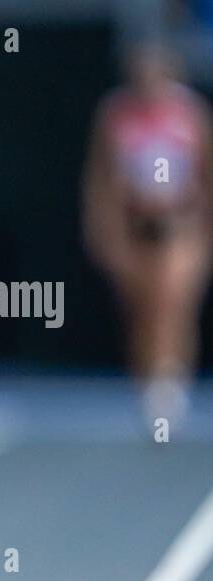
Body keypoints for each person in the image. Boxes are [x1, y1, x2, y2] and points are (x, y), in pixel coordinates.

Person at [83, 42, 213, 425]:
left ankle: (171, 384)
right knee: (143, 309)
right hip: (135, 223)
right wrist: (103, 229)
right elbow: (101, 178)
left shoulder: (190, 113)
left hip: (180, 222)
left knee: (173, 301)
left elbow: (206, 173)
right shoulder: (116, 113)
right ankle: (149, 383)